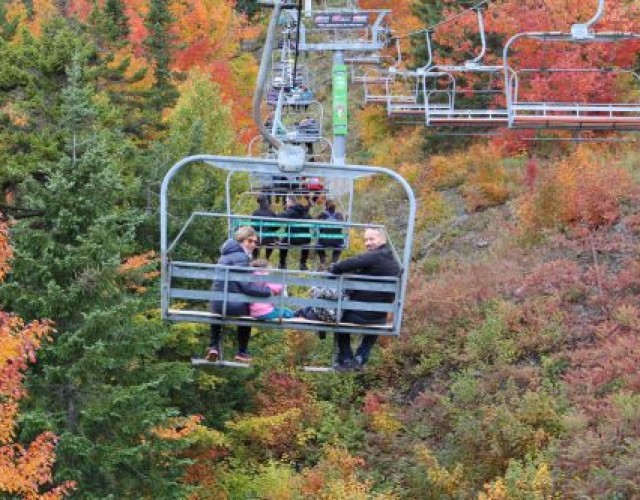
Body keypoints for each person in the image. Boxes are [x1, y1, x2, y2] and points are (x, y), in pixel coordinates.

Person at [329, 227, 400, 371]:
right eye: (366, 240)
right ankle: (361, 356)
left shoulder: (375, 256)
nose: (367, 243)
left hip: (358, 314)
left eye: (371, 239)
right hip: (380, 316)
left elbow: (347, 264)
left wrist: (334, 268)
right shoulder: (393, 261)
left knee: (339, 318)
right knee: (375, 324)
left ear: (382, 240)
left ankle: (346, 357)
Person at [207, 227, 272, 363]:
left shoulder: (224, 256)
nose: (254, 245)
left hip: (217, 304)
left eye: (255, 242)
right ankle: (242, 351)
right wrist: (266, 292)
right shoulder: (242, 257)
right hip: (234, 305)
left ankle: (213, 346)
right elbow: (246, 286)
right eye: (250, 241)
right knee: (248, 312)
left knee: (217, 312)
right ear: (242, 240)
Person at [278, 196, 311, 270]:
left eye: (287, 202)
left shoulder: (290, 212)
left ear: (291, 202)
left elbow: (279, 218)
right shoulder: (306, 213)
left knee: (283, 242)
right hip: (304, 239)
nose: (286, 204)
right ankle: (303, 263)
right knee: (306, 242)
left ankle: (282, 263)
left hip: (291, 239)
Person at [316, 200, 343, 269]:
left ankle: (323, 260)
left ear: (326, 207)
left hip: (323, 241)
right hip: (337, 241)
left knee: (318, 246)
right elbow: (342, 227)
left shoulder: (322, 214)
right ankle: (334, 261)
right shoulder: (339, 215)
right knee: (339, 246)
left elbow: (314, 222)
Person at [251, 195, 278, 261]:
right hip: (269, 238)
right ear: (266, 202)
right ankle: (267, 257)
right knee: (271, 239)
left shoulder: (255, 213)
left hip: (258, 238)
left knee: (254, 239)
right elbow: (276, 226)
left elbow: (253, 226)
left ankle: (255, 257)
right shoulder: (271, 213)